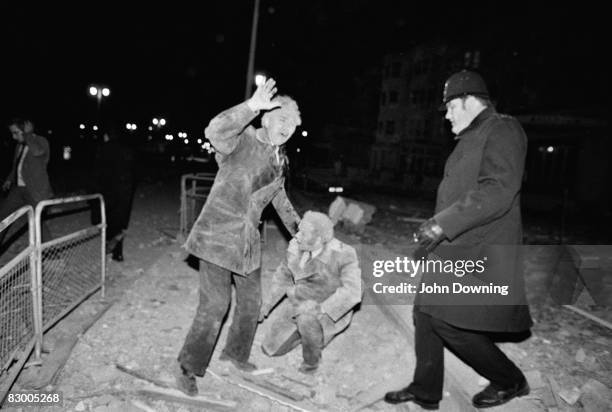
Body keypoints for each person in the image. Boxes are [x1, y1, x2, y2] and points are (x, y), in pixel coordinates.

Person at [384, 70, 532, 410]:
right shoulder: (471, 139)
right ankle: (426, 390)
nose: (446, 115)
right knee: (425, 313)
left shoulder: (503, 129)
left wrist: (443, 225)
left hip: (483, 249)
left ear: (469, 101)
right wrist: (434, 232)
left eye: (450, 107)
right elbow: (460, 196)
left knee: (451, 323)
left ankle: (510, 380)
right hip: (456, 248)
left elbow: (498, 189)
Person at [176, 78, 302, 396]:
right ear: (267, 117)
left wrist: (305, 236)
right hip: (217, 237)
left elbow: (280, 201)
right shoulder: (241, 140)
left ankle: (235, 354)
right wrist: (250, 106)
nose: (289, 126)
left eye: (295, 123)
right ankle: (187, 368)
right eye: (284, 118)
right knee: (216, 303)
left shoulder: (279, 160)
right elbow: (214, 130)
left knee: (250, 303)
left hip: (247, 243)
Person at [260, 211, 361, 373]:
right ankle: (303, 334)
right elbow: (282, 278)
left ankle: (311, 363)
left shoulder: (344, 254)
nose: (297, 236)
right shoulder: (295, 247)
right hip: (301, 302)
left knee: (307, 320)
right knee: (270, 349)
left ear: (320, 239)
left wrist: (322, 309)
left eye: (303, 233)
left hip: (327, 313)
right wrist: (266, 305)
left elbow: (353, 292)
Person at [0, 118, 52, 244]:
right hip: (18, 189)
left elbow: (38, 152)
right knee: (2, 218)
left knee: (37, 223)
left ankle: (53, 256)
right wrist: (9, 180)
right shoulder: (19, 146)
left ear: (25, 130)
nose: (13, 137)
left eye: (16, 133)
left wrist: (28, 135)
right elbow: (17, 165)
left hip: (35, 190)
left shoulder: (41, 141)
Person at [90, 125, 136, 262]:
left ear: (106, 136)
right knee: (119, 223)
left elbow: (96, 173)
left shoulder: (103, 149)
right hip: (124, 193)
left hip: (107, 193)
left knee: (104, 221)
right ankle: (118, 253)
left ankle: (106, 247)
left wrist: (92, 193)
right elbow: (134, 172)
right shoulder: (127, 150)